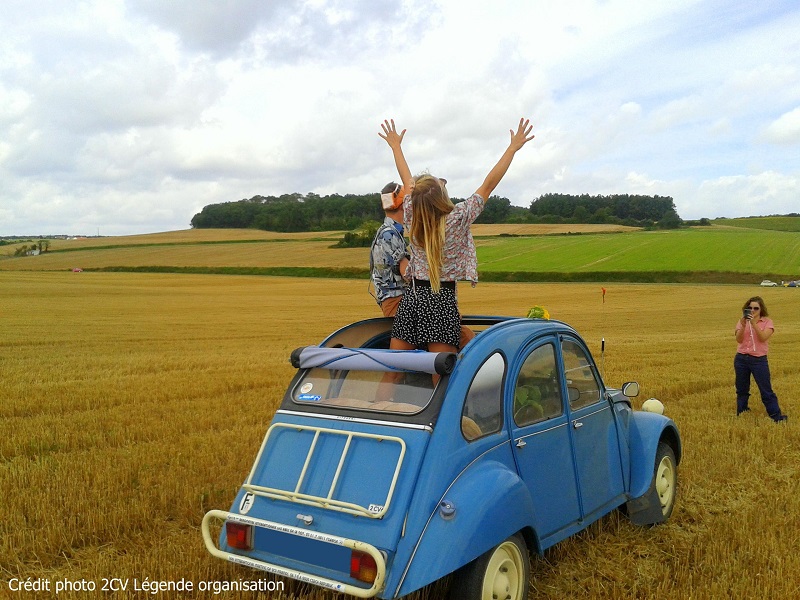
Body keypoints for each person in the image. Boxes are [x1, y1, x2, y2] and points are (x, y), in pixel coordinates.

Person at [378, 117, 535, 355]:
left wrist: (396, 147)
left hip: (413, 298)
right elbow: (489, 184)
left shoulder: (412, 213)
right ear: (443, 197)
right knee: (439, 374)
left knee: (394, 367)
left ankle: (385, 395)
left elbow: (407, 181)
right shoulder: (458, 217)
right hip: (442, 300)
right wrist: (512, 149)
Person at [734, 296, 788, 422]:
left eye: (756, 308)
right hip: (741, 358)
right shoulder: (741, 321)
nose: (752, 310)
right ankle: (742, 411)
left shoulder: (767, 322)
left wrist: (754, 324)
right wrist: (743, 325)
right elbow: (738, 339)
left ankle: (776, 416)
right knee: (742, 389)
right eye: (750, 308)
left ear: (761, 309)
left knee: (766, 389)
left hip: (758, 360)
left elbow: (763, 337)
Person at [369, 181, 409, 318]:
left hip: (395, 301)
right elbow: (408, 274)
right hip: (397, 301)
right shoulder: (390, 235)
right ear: (404, 205)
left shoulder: (387, 231)